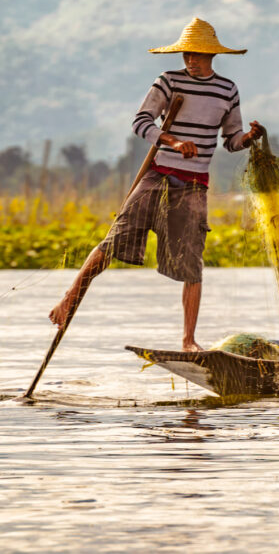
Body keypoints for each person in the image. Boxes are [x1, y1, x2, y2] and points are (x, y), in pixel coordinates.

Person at [48, 18, 264, 351]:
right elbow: (141, 122)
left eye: (197, 54)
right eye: (186, 54)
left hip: (194, 187)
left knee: (192, 263)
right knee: (112, 242)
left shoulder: (227, 90)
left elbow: (230, 140)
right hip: (158, 175)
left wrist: (248, 137)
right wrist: (173, 142)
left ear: (211, 55)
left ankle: (189, 341)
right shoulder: (168, 81)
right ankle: (68, 300)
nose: (190, 60)